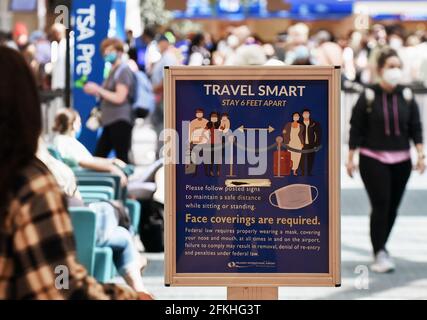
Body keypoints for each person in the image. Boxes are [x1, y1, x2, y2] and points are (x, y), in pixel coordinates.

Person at [0, 46, 144, 299]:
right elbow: (64, 285)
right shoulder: (28, 184)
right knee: (117, 221)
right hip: (86, 215)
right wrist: (132, 297)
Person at [37, 139, 150, 295]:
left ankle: (141, 289)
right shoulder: (60, 168)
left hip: (60, 248)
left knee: (121, 234)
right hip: (75, 242)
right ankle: (141, 291)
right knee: (111, 214)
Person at [347, 48, 425, 273]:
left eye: (397, 66)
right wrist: (350, 156)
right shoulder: (369, 95)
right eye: (391, 66)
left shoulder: (407, 95)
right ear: (380, 69)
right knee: (380, 204)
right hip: (373, 158)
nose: (395, 71)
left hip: (402, 159)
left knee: (392, 207)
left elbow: (415, 128)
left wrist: (420, 153)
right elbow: (356, 127)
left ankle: (382, 246)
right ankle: (379, 251)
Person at [84, 38, 134, 163]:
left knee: (121, 158)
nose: (106, 53)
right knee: (100, 155)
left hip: (120, 120)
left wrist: (98, 90)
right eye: (104, 51)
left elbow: (119, 97)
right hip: (110, 120)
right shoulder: (113, 71)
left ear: (119, 52)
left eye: (110, 50)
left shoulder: (123, 71)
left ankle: (123, 181)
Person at [52, 109, 128, 187]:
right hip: (86, 180)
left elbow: (88, 159)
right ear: (74, 124)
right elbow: (82, 162)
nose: (80, 125)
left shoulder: (63, 140)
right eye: (79, 122)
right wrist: (112, 168)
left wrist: (111, 161)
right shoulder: (65, 142)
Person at [299, 109, 321, 176]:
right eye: (304, 114)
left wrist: (317, 145)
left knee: (310, 158)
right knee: (301, 159)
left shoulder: (314, 124)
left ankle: (309, 172)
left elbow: (318, 135)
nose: (306, 115)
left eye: (307, 113)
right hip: (301, 144)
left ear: (309, 114)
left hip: (311, 144)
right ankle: (302, 172)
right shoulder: (299, 124)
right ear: (302, 115)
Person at [204, 112, 222, 177]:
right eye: (212, 116)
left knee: (218, 159)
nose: (213, 117)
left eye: (215, 116)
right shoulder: (208, 124)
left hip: (218, 144)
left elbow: (222, 131)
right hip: (210, 144)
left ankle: (218, 172)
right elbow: (204, 131)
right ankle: (211, 171)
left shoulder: (219, 124)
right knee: (211, 159)